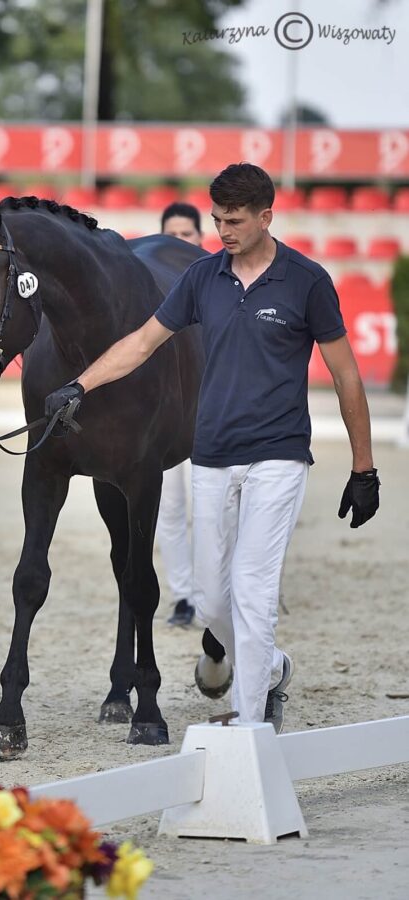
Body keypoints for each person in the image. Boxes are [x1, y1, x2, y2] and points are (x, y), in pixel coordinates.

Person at [45, 163, 380, 733]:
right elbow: (142, 344)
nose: (222, 231)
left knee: (251, 587)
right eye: (218, 219)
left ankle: (248, 727)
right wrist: (80, 385)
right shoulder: (202, 278)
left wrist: (363, 467)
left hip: (279, 454)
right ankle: (271, 666)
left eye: (235, 221)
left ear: (266, 217)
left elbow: (346, 376)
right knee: (208, 602)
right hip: (212, 456)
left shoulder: (307, 281)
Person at [157, 203, 204, 627]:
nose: (178, 241)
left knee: (209, 506)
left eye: (187, 234)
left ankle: (212, 592)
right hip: (169, 414)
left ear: (200, 238)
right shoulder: (153, 289)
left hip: (210, 414)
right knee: (170, 508)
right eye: (171, 233)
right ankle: (184, 596)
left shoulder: (218, 282)